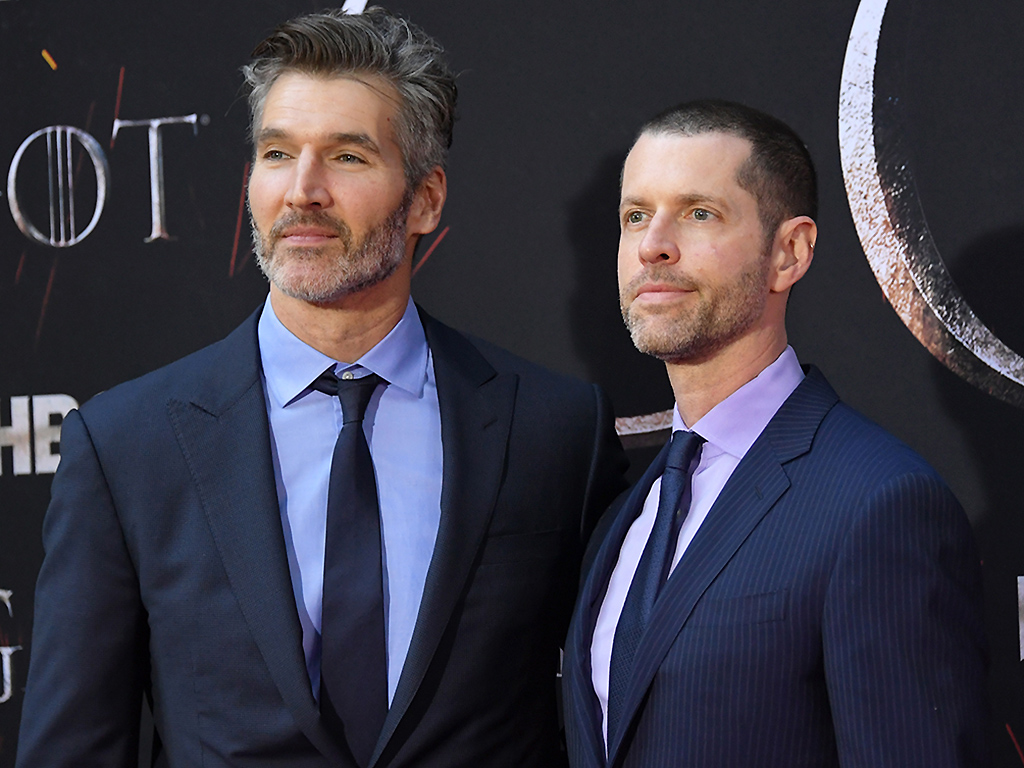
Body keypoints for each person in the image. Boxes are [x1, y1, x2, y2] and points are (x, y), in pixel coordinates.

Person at [16, 8, 626, 768]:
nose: (302, 191)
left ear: (427, 199)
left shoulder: (555, 430)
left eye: (347, 157)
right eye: (277, 154)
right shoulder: (128, 445)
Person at [562, 100, 989, 767]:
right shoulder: (627, 514)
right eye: (636, 216)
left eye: (699, 212)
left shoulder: (878, 506)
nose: (653, 244)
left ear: (789, 252)